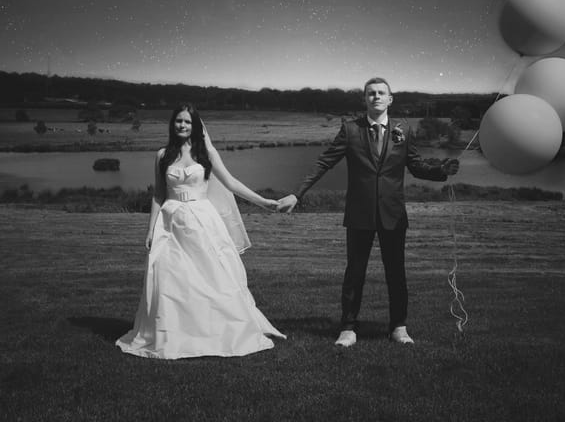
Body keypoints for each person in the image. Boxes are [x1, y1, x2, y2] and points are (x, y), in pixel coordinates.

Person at [277, 77, 459, 347]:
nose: (376, 97)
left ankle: (399, 326)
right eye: (370, 93)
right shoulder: (350, 130)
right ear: (365, 99)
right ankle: (348, 328)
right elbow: (324, 162)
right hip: (359, 213)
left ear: (390, 99)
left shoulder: (404, 129)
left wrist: (439, 171)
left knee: (396, 273)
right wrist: (297, 193)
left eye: (381, 93)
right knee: (355, 273)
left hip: (393, 213)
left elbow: (417, 165)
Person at [116, 103, 285, 359]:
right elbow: (159, 194)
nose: (182, 125)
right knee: (170, 278)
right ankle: (172, 333)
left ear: (196, 127)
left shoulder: (206, 154)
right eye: (178, 121)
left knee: (212, 277)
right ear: (172, 124)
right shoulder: (162, 155)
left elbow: (231, 183)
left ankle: (214, 330)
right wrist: (150, 229)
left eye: (187, 122)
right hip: (170, 223)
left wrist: (264, 202)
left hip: (202, 222)